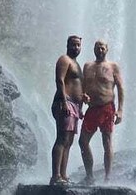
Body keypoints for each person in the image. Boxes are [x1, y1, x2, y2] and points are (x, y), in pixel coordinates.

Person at [79, 39, 124, 184]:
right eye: (97, 48)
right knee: (82, 141)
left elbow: (120, 87)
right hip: (91, 109)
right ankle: (89, 175)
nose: (100, 50)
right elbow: (83, 87)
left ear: (107, 49)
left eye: (102, 48)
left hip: (107, 108)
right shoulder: (87, 66)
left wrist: (120, 110)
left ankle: (108, 176)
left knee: (107, 141)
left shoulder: (113, 66)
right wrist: (81, 103)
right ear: (93, 49)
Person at [50, 35, 88, 186]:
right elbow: (59, 80)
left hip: (75, 105)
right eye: (73, 45)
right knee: (61, 139)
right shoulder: (64, 60)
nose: (76, 48)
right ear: (67, 45)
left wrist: (82, 97)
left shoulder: (76, 63)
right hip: (64, 103)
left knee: (69, 141)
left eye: (78, 45)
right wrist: (64, 101)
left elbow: (75, 84)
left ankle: (63, 175)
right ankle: (55, 176)